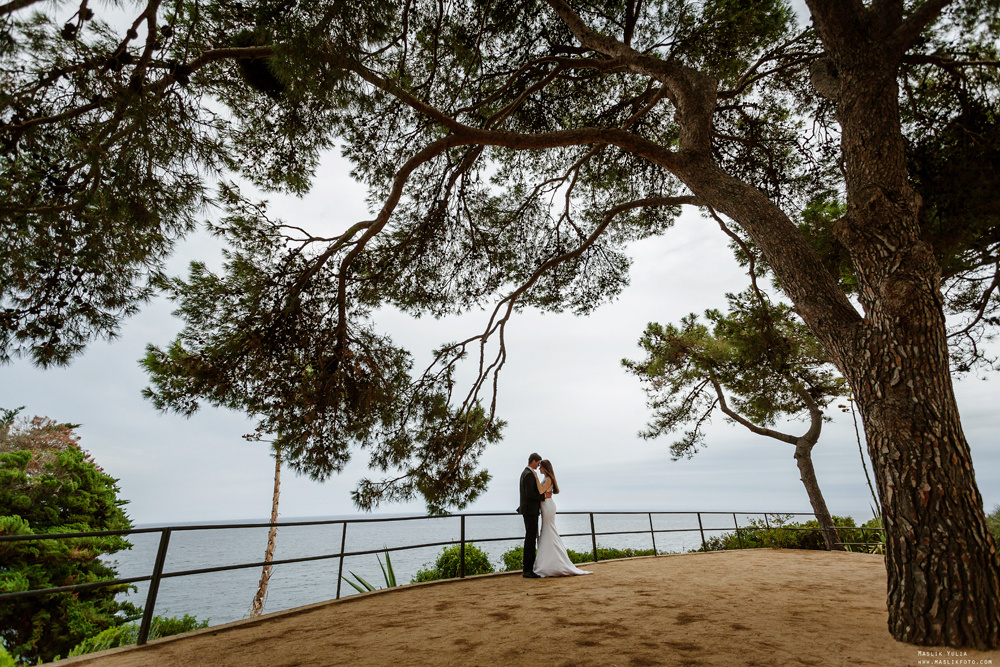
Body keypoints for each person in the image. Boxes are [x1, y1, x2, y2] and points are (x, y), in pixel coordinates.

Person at [532, 459, 592, 577]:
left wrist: (535, 477)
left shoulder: (548, 479)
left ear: (545, 468)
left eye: (541, 467)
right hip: (546, 505)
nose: (539, 469)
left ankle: (554, 562)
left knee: (549, 530)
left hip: (548, 505)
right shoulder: (547, 479)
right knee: (546, 531)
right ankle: (548, 562)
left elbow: (540, 490)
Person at [516, 453, 547, 578]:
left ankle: (529, 568)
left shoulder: (526, 473)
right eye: (538, 463)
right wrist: (544, 497)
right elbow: (530, 494)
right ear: (533, 461)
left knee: (530, 538)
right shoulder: (528, 474)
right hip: (530, 510)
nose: (539, 465)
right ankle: (528, 570)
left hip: (529, 510)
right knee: (530, 539)